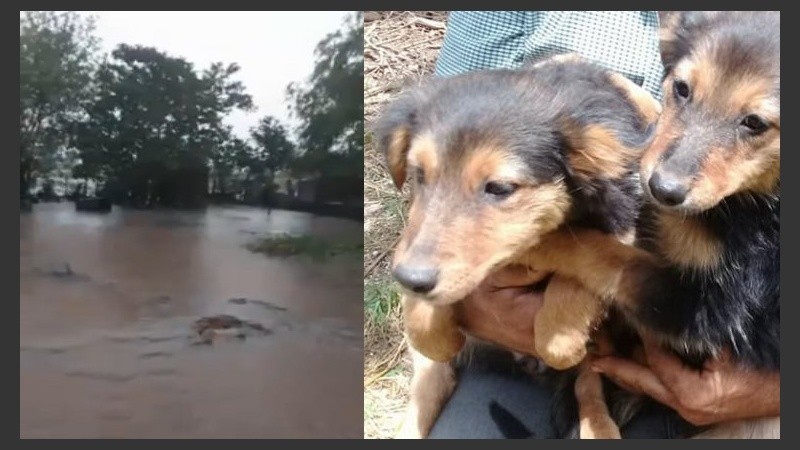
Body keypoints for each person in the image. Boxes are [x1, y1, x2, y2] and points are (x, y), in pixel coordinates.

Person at [423, 11, 780, 439]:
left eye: (753, 123)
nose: (669, 173)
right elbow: (448, 150)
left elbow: (693, 314)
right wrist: (476, 295)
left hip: (716, 380)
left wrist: (770, 392)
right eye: (682, 90)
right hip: (542, 342)